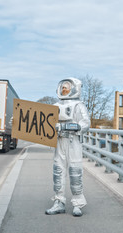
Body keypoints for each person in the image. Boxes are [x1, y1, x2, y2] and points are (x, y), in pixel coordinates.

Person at [45, 77, 90, 217]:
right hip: (59, 141)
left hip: (73, 141)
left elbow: (86, 123)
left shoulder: (79, 106)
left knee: (75, 171)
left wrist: (68, 126)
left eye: (67, 87)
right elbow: (42, 121)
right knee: (58, 170)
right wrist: (17, 122)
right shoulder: (55, 106)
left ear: (74, 89)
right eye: (63, 87)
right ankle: (59, 202)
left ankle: (77, 203)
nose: (64, 89)